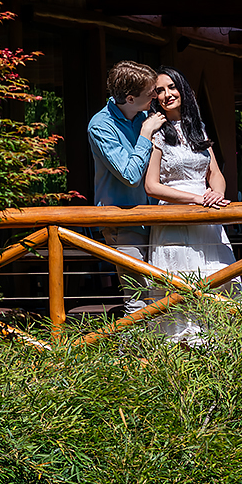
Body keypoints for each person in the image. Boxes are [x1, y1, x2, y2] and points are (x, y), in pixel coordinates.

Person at [140, 66, 237, 343]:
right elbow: (151, 186)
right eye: (159, 91)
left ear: (184, 89)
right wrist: (196, 198)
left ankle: (217, 344)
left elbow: (215, 173)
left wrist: (215, 194)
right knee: (180, 284)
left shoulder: (199, 128)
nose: (167, 94)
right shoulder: (157, 132)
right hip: (174, 217)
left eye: (172, 87)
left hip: (208, 217)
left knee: (215, 278)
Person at [87, 60, 158, 306]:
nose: (156, 97)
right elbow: (129, 175)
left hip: (157, 218)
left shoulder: (145, 115)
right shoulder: (101, 126)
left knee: (162, 293)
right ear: (130, 99)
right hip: (125, 222)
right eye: (151, 94)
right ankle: (133, 346)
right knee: (138, 298)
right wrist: (146, 134)